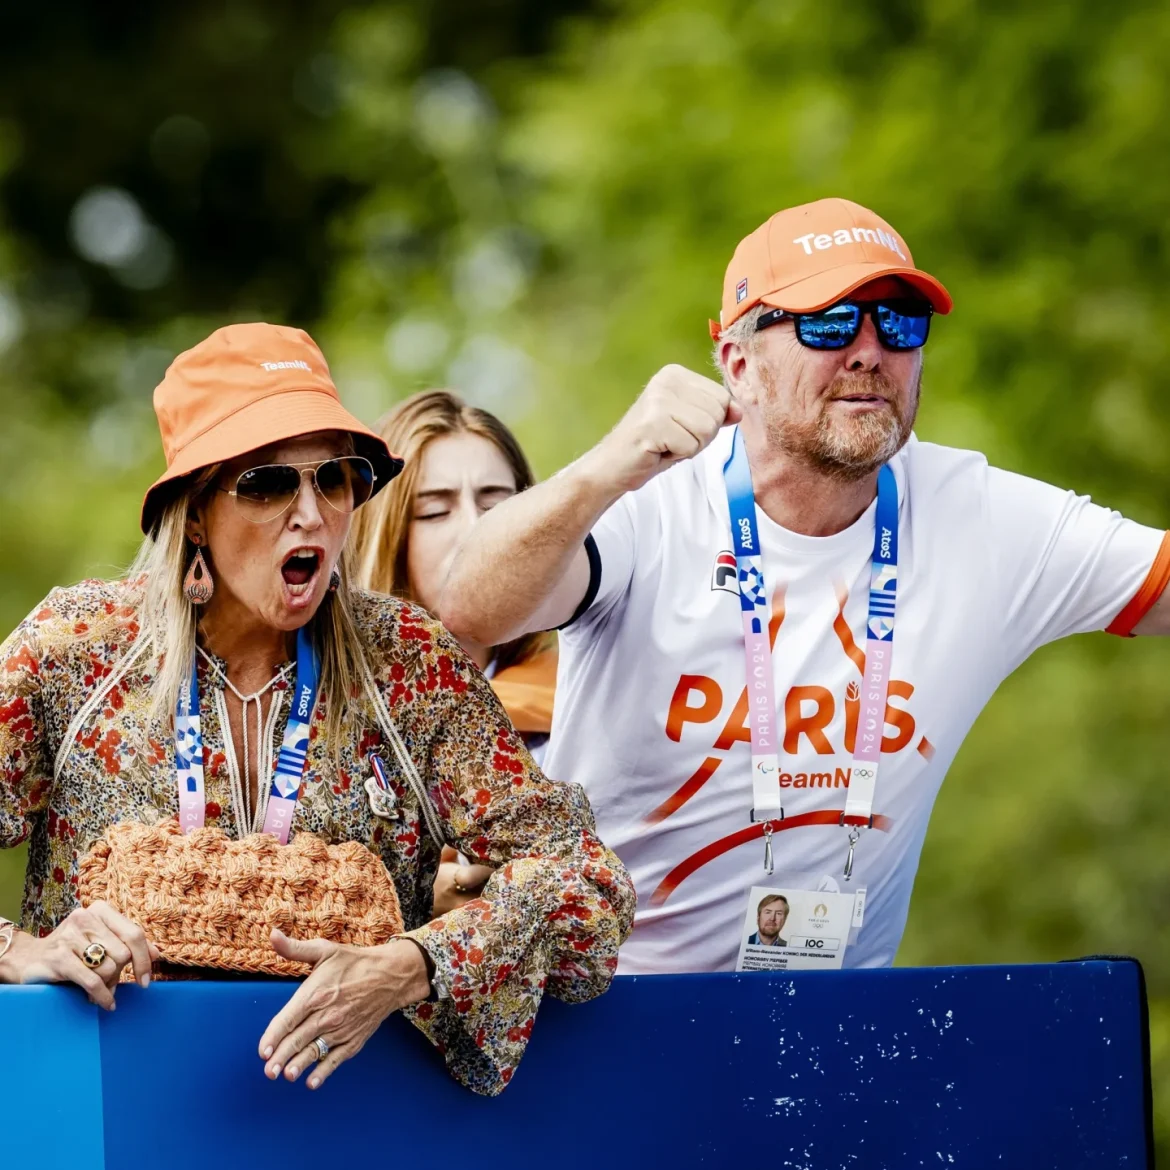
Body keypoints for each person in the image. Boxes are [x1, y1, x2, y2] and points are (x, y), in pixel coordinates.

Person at [437, 196, 1170, 976]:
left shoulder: (979, 515)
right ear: (739, 365)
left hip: (828, 1031)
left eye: (899, 325)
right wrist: (609, 463)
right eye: (829, 324)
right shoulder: (655, 501)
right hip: (605, 1009)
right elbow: (471, 607)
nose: (869, 352)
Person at [0, 323, 633, 1095]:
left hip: (347, 1115)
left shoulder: (410, 662)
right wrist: (20, 951)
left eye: (334, 478)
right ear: (194, 511)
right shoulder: (76, 650)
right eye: (266, 484)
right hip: (105, 1112)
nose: (310, 514)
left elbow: (587, 884)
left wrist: (416, 962)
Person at [349, 390, 558, 914]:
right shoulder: (327, 701)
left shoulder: (584, 691)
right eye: (435, 510)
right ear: (383, 531)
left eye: (495, 505)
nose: (474, 527)